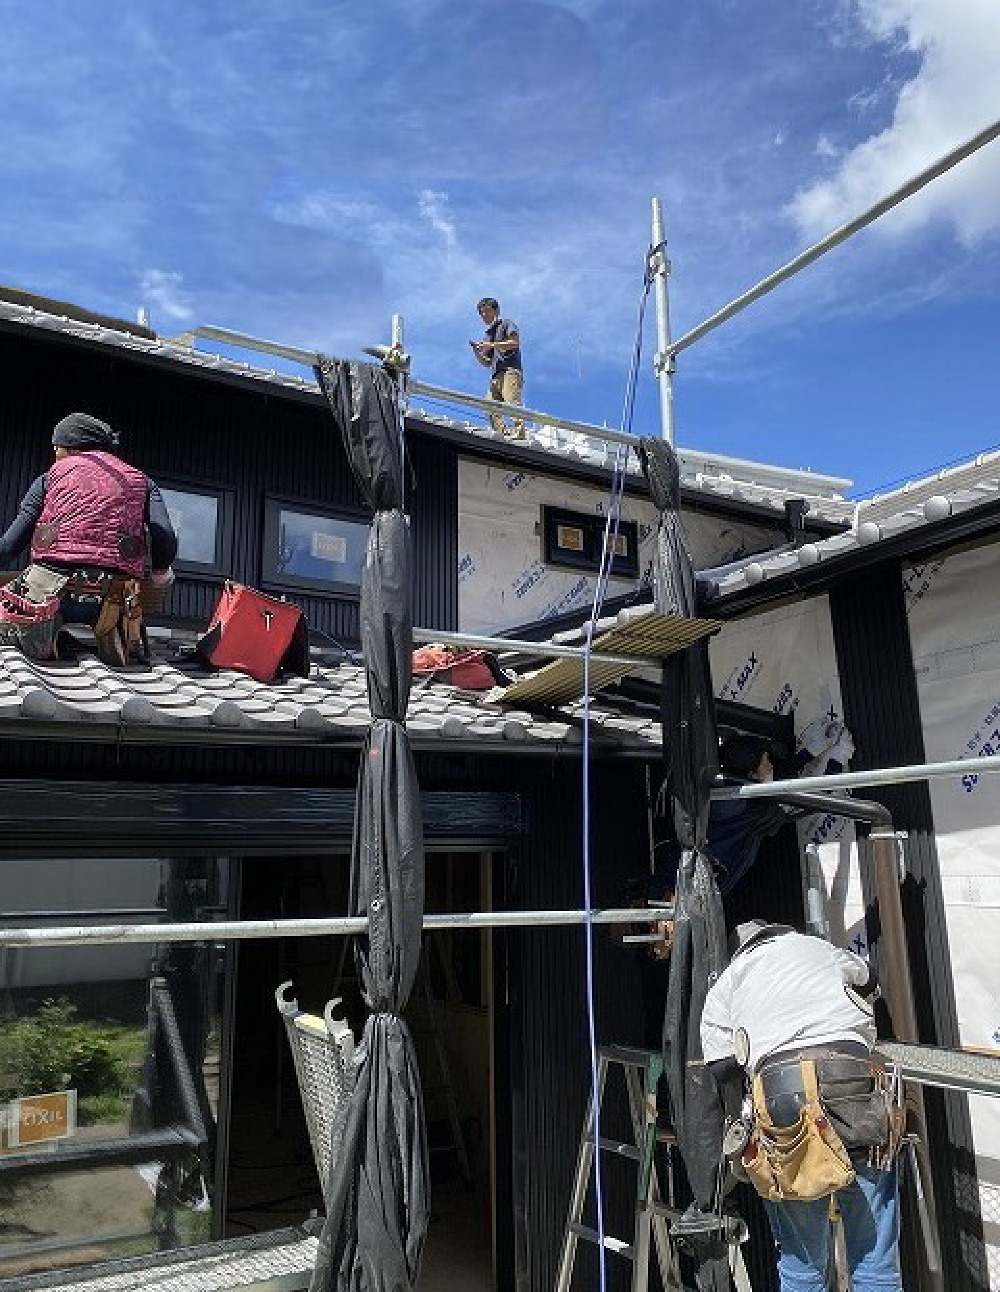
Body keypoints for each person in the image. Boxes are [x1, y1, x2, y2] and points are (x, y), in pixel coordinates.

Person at [701, 920, 901, 1292]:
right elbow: (870, 980)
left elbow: (721, 1066)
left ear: (741, 951)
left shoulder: (729, 980)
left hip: (784, 1102)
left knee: (803, 1263)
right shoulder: (820, 949)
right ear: (782, 934)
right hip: (854, 1084)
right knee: (876, 1264)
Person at [0, 412, 178, 664]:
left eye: (57, 448)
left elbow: (10, 545)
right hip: (113, 598)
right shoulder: (141, 481)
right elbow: (164, 534)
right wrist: (161, 571)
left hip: (48, 593)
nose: (55, 454)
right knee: (120, 609)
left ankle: (42, 639)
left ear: (72, 447)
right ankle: (115, 638)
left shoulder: (50, 477)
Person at [470, 297, 525, 439]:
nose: (484, 315)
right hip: (495, 375)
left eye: (486, 311)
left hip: (510, 371)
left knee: (512, 403)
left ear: (496, 310)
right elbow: (486, 362)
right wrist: (476, 351)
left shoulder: (506, 324)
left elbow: (514, 343)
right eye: (481, 313)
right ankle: (502, 434)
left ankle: (519, 435)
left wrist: (491, 345)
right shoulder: (488, 335)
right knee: (489, 407)